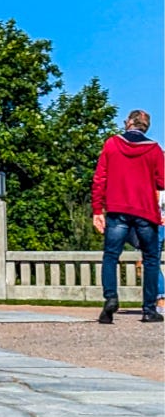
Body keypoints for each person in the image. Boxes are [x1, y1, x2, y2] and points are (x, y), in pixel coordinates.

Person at [91, 109, 164, 324]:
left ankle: (111, 298)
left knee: (111, 256)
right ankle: (149, 309)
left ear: (130, 123)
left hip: (117, 210)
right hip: (145, 212)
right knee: (151, 258)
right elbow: (162, 181)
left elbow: (99, 179)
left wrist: (97, 210)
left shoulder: (112, 144)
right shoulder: (154, 149)